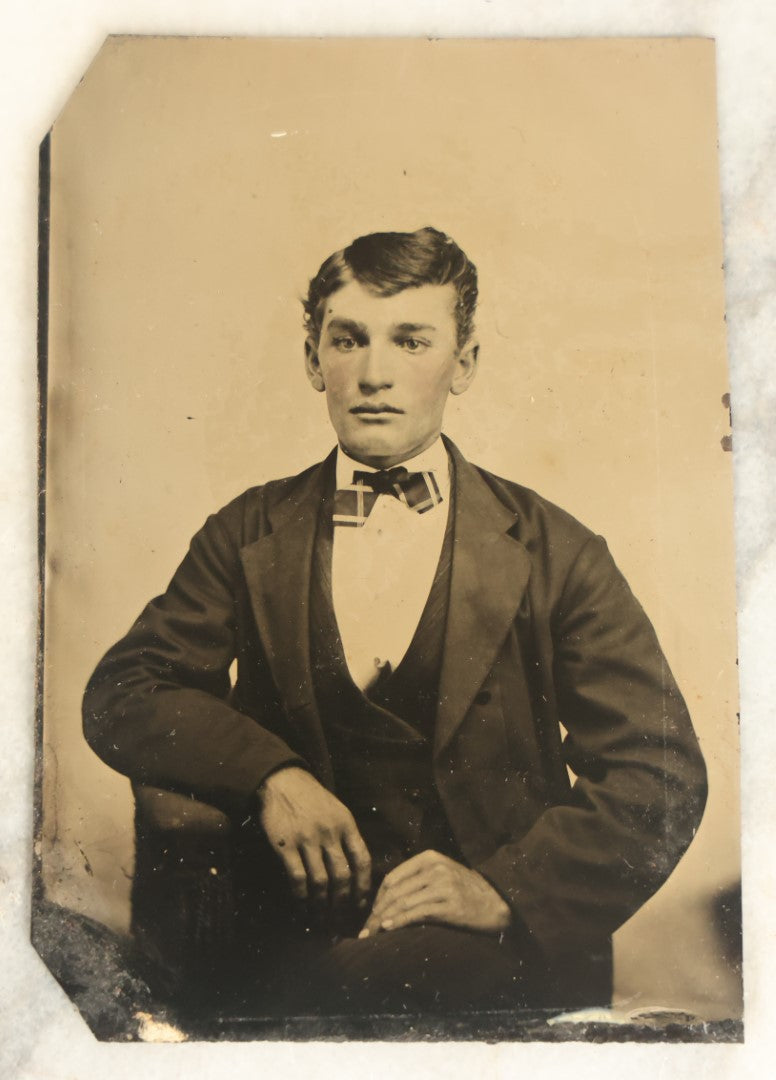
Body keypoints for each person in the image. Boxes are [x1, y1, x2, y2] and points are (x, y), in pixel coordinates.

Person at [83, 226, 707, 1019]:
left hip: (485, 948)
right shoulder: (248, 531)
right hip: (286, 928)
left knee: (347, 1006)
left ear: (465, 363)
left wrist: (503, 891)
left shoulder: (556, 551)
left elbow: (661, 772)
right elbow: (126, 691)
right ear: (314, 360)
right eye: (348, 340)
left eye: (412, 341)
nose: (375, 374)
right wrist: (272, 775)